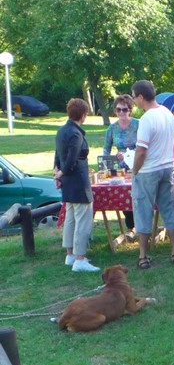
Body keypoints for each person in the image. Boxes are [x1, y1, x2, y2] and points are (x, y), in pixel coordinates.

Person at [130, 80, 174, 270]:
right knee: (169, 209)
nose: (134, 102)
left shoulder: (146, 118)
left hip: (148, 170)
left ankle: (143, 255)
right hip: (168, 167)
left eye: (134, 97)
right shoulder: (167, 113)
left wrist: (135, 170)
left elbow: (141, 150)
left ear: (141, 97)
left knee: (143, 211)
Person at [54, 98, 100, 272]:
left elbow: (57, 155)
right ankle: (80, 259)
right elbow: (72, 159)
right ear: (83, 115)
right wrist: (61, 173)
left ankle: (70, 254)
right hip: (78, 181)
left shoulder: (61, 131)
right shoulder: (76, 133)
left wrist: (57, 173)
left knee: (71, 218)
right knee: (83, 220)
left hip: (67, 182)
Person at [103, 94, 137, 239]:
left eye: (124, 109)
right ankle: (131, 226)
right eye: (118, 110)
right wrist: (107, 162)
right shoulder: (112, 128)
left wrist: (128, 153)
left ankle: (140, 225)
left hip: (137, 165)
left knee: (138, 196)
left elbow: (146, 146)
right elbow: (106, 148)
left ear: (130, 110)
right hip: (119, 169)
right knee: (123, 197)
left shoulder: (138, 124)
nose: (121, 113)